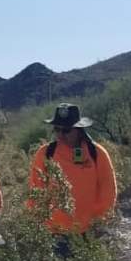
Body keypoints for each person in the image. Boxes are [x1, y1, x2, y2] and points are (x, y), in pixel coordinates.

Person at [27, 104, 117, 246]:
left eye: (66, 130)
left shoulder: (96, 153)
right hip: (53, 232)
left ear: (79, 130)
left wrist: (100, 222)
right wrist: (36, 223)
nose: (61, 135)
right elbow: (35, 190)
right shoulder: (45, 153)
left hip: (87, 231)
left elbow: (108, 192)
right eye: (57, 129)